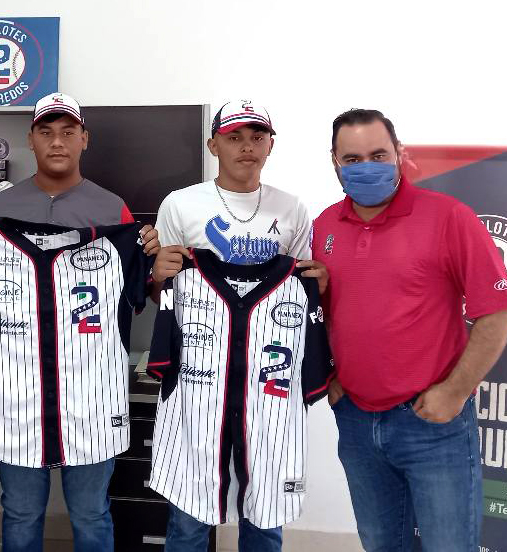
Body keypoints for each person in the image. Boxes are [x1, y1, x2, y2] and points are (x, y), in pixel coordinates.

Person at [0, 92, 159, 552]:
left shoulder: (114, 210)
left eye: (68, 132)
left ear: (84, 139)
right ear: (31, 140)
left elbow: (137, 297)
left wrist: (149, 253)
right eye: (47, 132)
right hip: (16, 397)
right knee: (20, 511)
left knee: (92, 513)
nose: (58, 141)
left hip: (90, 397)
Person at [314, 108, 507, 551]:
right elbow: (320, 313)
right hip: (356, 422)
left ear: (399, 153)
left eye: (378, 155)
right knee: (381, 543)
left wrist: (455, 391)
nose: (366, 167)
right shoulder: (323, 226)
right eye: (352, 159)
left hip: (431, 425)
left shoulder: (448, 217)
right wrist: (329, 375)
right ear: (334, 161)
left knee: (449, 545)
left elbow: (501, 310)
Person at [149, 100, 326, 552]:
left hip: (267, 388)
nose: (247, 146)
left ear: (270, 145)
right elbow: (164, 295)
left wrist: (317, 285)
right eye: (234, 137)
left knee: (265, 516)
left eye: (256, 137)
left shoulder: (292, 209)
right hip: (199, 384)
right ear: (214, 145)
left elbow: (299, 287)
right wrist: (156, 277)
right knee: (189, 520)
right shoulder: (180, 204)